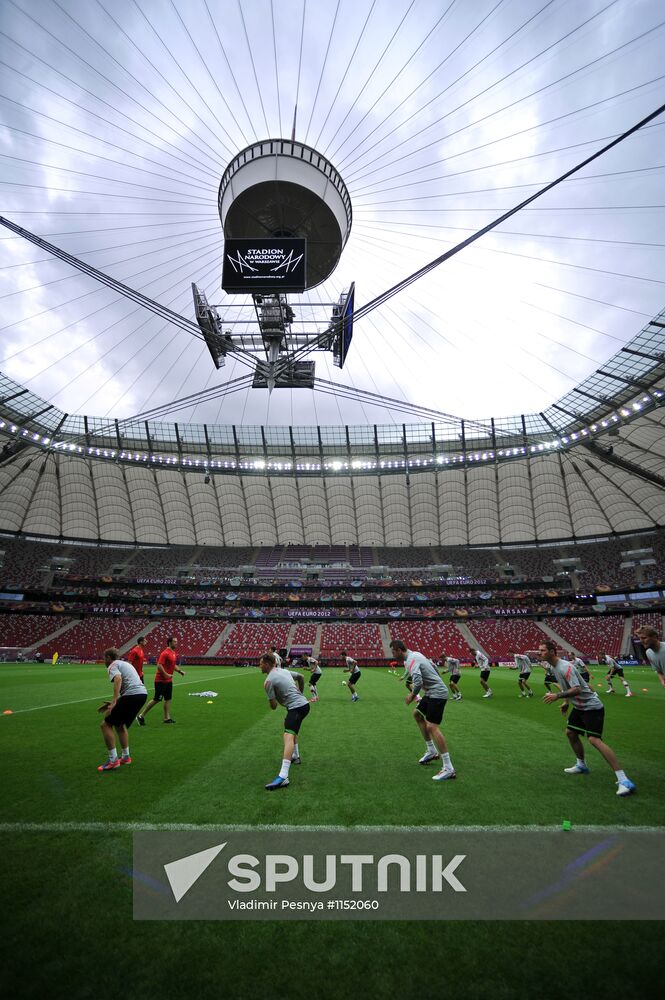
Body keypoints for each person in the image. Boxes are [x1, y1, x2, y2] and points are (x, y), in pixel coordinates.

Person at [538, 640, 636, 797]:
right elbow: (567, 687)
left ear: (552, 651)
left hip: (591, 707)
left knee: (594, 740)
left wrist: (557, 696)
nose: (539, 653)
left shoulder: (565, 667)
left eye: (542, 650)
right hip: (579, 707)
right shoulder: (553, 667)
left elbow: (576, 689)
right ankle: (581, 765)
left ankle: (624, 780)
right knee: (570, 733)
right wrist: (565, 702)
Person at [390, 639, 456, 781]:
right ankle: (431, 751)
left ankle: (449, 768)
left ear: (399, 650)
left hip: (437, 693)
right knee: (417, 714)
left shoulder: (412, 659)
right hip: (431, 692)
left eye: (393, 651)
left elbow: (418, 682)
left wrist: (411, 695)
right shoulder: (413, 656)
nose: (392, 654)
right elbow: (433, 666)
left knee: (432, 726)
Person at [261, 652, 310, 790]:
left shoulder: (269, 681)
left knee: (287, 735)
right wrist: (300, 692)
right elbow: (301, 676)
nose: (259, 666)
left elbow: (274, 707)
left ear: (267, 664)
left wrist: (274, 696)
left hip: (297, 708)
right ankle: (296, 756)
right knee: (290, 728)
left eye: (261, 664)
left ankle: (283, 777)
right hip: (303, 705)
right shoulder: (283, 670)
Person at [97, 648, 147, 771]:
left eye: (104, 658)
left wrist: (114, 701)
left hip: (132, 695)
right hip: (141, 694)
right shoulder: (124, 663)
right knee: (120, 725)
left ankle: (113, 761)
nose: (104, 661)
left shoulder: (113, 665)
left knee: (105, 725)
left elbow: (118, 679)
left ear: (108, 657)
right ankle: (125, 757)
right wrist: (116, 701)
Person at [136, 636, 184, 725]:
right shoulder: (165, 653)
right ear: (169, 642)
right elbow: (159, 665)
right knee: (157, 699)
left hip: (168, 681)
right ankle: (141, 716)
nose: (176, 643)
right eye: (175, 641)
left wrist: (179, 671)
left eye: (177, 641)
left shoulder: (173, 652)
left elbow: (173, 665)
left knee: (168, 699)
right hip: (161, 681)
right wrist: (165, 674)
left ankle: (167, 718)